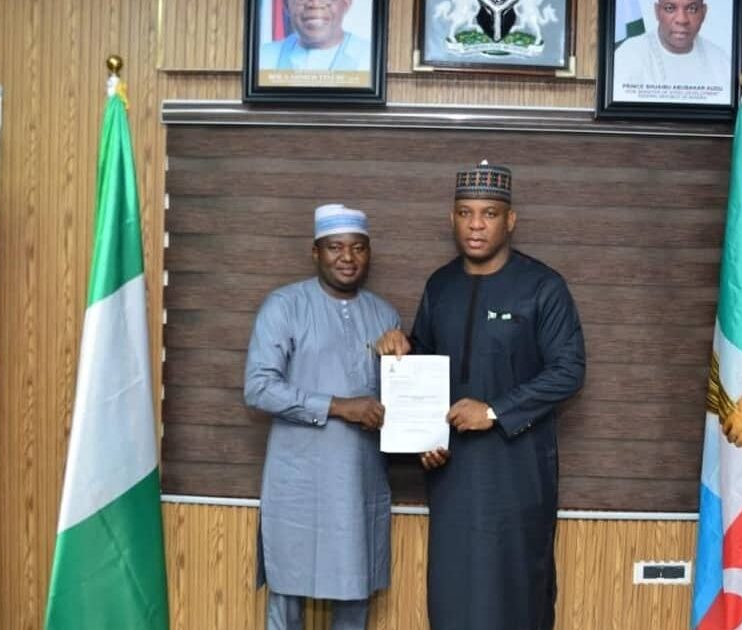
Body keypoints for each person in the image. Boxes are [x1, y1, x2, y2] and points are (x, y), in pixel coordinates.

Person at [375, 162, 587, 630]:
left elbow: (569, 371)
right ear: (451, 218)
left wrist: (493, 411)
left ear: (509, 220)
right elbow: (425, 363)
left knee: (516, 590)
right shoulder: (440, 285)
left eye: (489, 214)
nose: (475, 225)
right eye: (465, 213)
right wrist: (401, 350)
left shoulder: (542, 287)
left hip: (518, 472)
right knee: (454, 592)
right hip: (452, 474)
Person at [244, 203, 400, 630]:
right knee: (287, 596)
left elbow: (394, 403)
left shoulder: (385, 315)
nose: (347, 257)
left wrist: (401, 362)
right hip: (299, 484)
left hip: (359, 482)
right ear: (315, 252)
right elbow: (258, 387)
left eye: (358, 248)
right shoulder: (284, 306)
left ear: (369, 253)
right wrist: (339, 406)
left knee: (355, 592)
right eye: (335, 247)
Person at [613, 0, 730, 98]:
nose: (682, 20)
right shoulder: (628, 56)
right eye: (670, 8)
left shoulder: (721, 62)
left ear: (704, 13)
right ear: (657, 12)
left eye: (692, 9)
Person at [259, 0, 371, 72]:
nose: (315, 4)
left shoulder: (370, 58)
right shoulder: (262, 57)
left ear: (346, 3)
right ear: (286, 5)